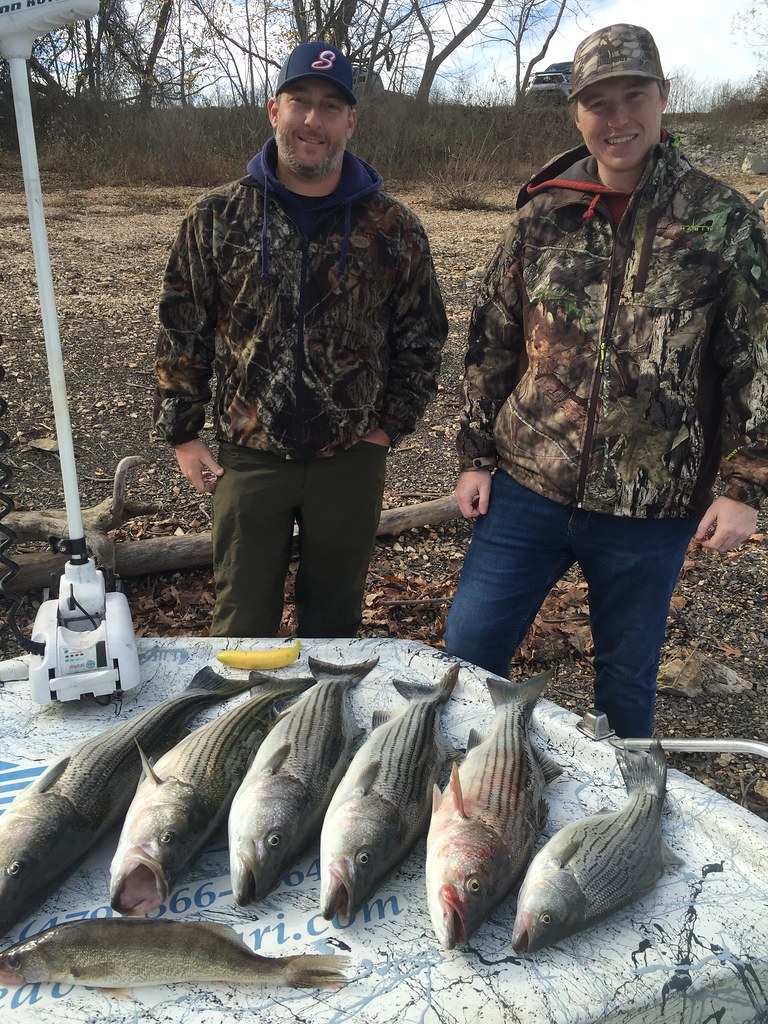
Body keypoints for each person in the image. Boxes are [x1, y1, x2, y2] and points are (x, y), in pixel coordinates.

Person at [443, 23, 768, 738]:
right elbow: (492, 337)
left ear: (664, 98)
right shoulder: (542, 214)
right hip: (529, 483)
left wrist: (745, 488)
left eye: (634, 96)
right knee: (468, 652)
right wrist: (474, 454)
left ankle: (619, 823)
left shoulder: (724, 222)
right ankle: (470, 799)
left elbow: (759, 361)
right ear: (576, 113)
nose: (618, 119)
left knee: (625, 679)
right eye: (599, 102)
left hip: (652, 503)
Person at [152, 41, 447, 638]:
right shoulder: (216, 218)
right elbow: (182, 328)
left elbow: (423, 335)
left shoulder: (393, 227)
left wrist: (388, 425)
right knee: (239, 626)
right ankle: (239, 729)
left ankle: (320, 731)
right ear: (273, 110)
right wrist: (183, 435)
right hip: (248, 455)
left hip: (351, 457)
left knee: (334, 626)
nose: (314, 120)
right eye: (300, 102)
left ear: (351, 122)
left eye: (331, 107)